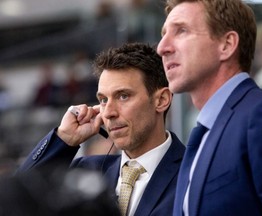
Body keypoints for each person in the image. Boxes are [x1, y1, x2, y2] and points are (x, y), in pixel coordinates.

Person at [17, 42, 185, 216]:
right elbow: (15, 202)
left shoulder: (194, 172)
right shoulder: (85, 172)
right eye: (103, 100)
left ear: (161, 100)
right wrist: (64, 139)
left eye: (123, 96)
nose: (109, 113)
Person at [157, 0, 262, 216]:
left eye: (181, 31)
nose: (162, 47)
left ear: (226, 45)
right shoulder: (204, 134)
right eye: (163, 34)